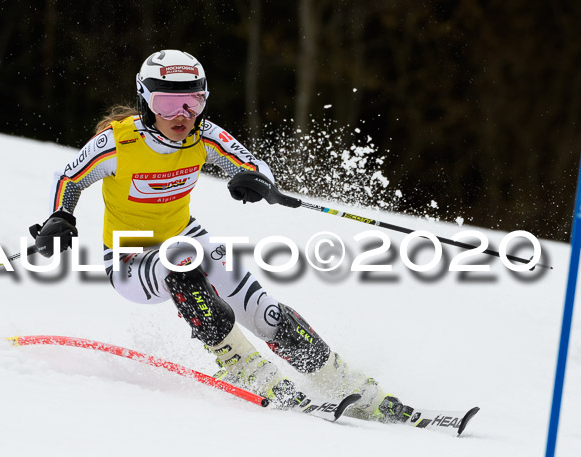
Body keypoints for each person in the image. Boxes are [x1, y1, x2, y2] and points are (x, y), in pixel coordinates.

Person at [31, 49, 411, 421]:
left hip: (186, 236)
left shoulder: (203, 136)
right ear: (144, 100)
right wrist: (59, 218)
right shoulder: (118, 143)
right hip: (130, 257)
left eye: (193, 102)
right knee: (181, 263)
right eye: (166, 104)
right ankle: (244, 367)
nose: (182, 116)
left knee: (266, 311)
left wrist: (257, 180)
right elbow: (68, 178)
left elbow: (251, 163)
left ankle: (345, 383)